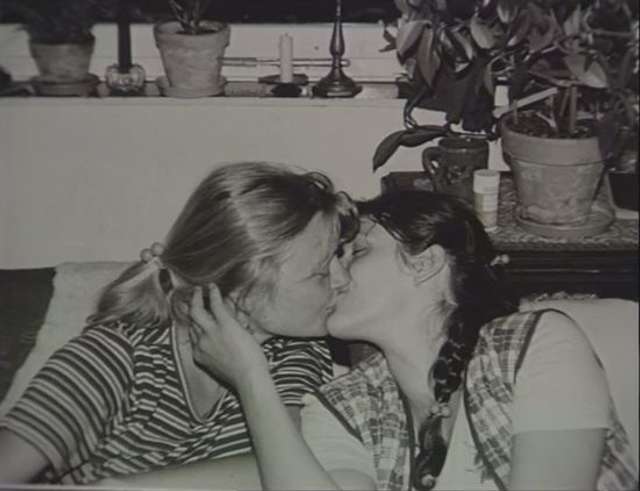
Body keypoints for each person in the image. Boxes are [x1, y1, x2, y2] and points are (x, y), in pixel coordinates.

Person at [187, 190, 638, 490]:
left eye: (356, 253)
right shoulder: (344, 407)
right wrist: (252, 380)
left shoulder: (530, 347)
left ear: (425, 264)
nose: (334, 275)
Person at [0, 161, 358, 485]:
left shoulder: (296, 348)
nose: (344, 280)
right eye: (321, 273)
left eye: (340, 257)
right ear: (244, 289)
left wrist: (250, 375)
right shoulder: (116, 356)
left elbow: (286, 466)